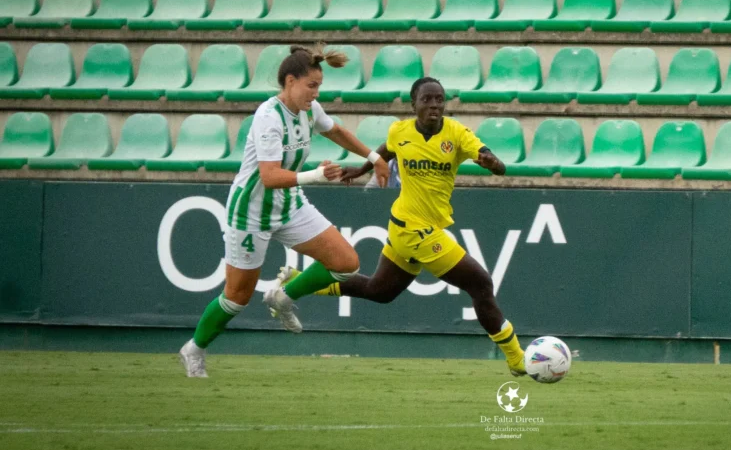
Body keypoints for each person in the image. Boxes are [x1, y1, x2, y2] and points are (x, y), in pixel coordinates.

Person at [263, 77, 527, 376]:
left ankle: (297, 282)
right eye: (427, 100)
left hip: (414, 228)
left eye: (439, 99)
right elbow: (387, 150)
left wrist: (492, 163)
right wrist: (362, 169)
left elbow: (496, 163)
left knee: (380, 291)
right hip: (414, 230)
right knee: (481, 285)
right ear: (414, 104)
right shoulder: (400, 131)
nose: (434, 105)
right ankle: (518, 359)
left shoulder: (457, 134)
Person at [179, 45, 390, 378]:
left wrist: (375, 158)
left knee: (346, 263)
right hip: (250, 212)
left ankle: (282, 296)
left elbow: (336, 131)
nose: (316, 93)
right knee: (236, 298)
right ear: (290, 81)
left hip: (290, 204)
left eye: (319, 86)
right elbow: (269, 176)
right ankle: (194, 349)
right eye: (312, 86)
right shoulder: (267, 117)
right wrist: (317, 175)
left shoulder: (308, 109)